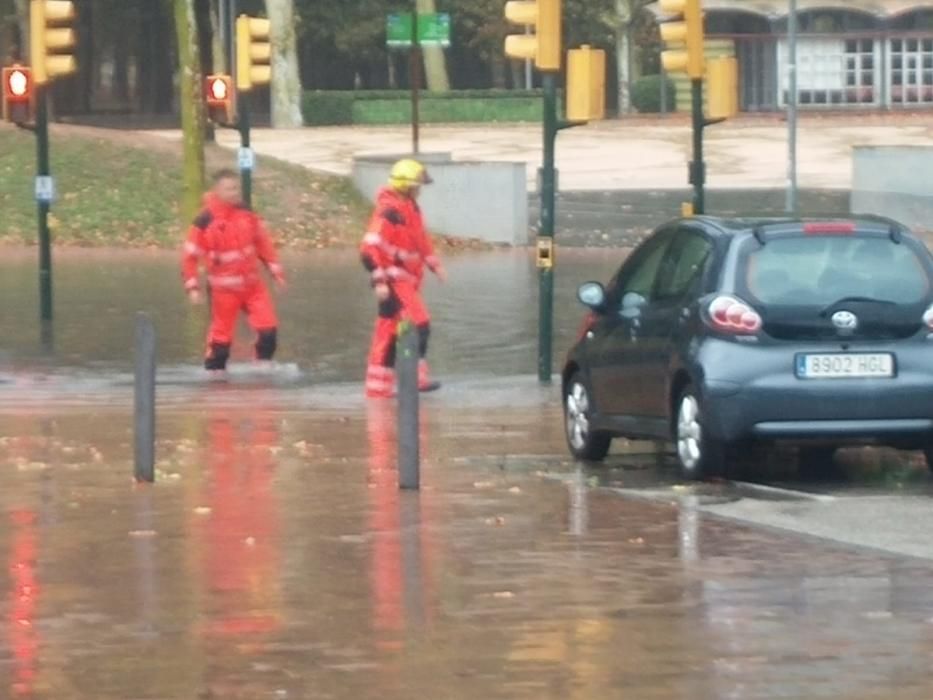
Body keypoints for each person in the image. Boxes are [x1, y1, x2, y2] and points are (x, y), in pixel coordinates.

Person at [181, 169, 286, 373]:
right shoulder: (205, 220)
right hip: (223, 291)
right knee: (221, 344)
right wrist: (192, 287)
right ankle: (214, 375)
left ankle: (262, 371)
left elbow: (263, 244)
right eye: (229, 189)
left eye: (236, 188)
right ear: (217, 191)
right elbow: (189, 258)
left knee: (268, 333)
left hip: (252, 287)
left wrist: (276, 273)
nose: (235, 192)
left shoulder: (246, 214)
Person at [360, 158, 447, 398]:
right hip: (394, 281)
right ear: (407, 186)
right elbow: (369, 249)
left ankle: (379, 389)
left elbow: (421, 240)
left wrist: (434, 265)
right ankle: (414, 379)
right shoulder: (389, 211)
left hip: (405, 281)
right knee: (419, 326)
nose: (420, 191)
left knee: (387, 333)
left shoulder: (409, 208)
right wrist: (380, 282)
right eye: (417, 186)